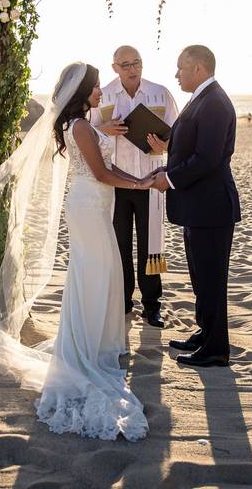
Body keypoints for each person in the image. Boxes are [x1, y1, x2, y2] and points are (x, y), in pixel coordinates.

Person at [0, 62, 151, 441]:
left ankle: (99, 341)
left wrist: (106, 137)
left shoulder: (78, 125)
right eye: (97, 86)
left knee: (100, 270)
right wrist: (143, 181)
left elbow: (92, 150)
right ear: (84, 90)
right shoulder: (82, 126)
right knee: (96, 271)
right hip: (90, 203)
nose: (101, 91)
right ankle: (90, 348)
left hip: (94, 203)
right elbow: (102, 173)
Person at [150, 45, 241, 368]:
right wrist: (167, 158)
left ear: (199, 69)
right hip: (198, 207)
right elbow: (192, 146)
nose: (177, 74)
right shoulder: (202, 98)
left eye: (181, 68)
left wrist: (170, 179)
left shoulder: (214, 102)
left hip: (212, 207)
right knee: (201, 277)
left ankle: (217, 348)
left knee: (212, 279)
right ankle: (206, 333)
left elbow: (207, 158)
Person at [91, 45, 179, 328]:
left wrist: (167, 144)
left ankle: (152, 305)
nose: (132, 69)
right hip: (115, 182)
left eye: (137, 63)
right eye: (125, 65)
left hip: (151, 181)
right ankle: (123, 301)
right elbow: (85, 135)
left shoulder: (161, 93)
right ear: (114, 67)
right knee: (119, 245)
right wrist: (105, 130)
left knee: (150, 243)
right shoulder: (102, 96)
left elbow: (178, 133)